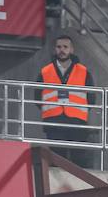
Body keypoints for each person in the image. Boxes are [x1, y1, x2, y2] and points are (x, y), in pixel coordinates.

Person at [36, 35, 95, 167]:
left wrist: (79, 110)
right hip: (54, 121)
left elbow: (91, 97)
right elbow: (37, 96)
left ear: (71, 49)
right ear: (54, 49)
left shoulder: (83, 72)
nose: (62, 50)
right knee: (56, 159)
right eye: (59, 47)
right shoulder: (45, 72)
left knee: (78, 158)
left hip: (77, 121)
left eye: (65, 47)